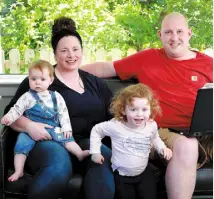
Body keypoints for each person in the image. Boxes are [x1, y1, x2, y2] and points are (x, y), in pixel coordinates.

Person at [81, 12, 213, 199]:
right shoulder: (147, 58)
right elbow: (106, 68)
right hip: (164, 133)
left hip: (206, 133)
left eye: (179, 32)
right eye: (168, 32)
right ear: (160, 35)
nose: (174, 38)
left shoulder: (208, 64)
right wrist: (62, 69)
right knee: (187, 146)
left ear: (189, 33)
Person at [4, 17, 114, 199]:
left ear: (82, 51)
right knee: (59, 165)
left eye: (75, 49)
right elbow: (9, 113)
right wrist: (30, 126)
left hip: (87, 142)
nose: (71, 55)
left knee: (103, 157)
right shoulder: (40, 81)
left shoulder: (95, 83)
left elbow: (116, 113)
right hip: (49, 141)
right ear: (55, 54)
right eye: (64, 50)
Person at [1, 60, 90, 182]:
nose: (37, 82)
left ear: (50, 80)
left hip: (52, 127)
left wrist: (66, 127)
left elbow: (63, 113)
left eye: (42, 79)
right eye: (33, 79)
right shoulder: (27, 97)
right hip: (30, 131)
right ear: (29, 80)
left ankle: (79, 154)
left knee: (66, 138)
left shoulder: (56, 96)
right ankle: (19, 170)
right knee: (21, 145)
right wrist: (9, 118)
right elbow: (16, 110)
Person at [90, 83, 172, 199]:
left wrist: (162, 148)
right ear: (123, 110)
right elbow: (96, 130)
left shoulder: (151, 125)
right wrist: (95, 152)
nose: (139, 114)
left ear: (151, 109)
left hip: (143, 173)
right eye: (133, 109)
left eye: (144, 109)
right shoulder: (115, 125)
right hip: (122, 177)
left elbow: (155, 138)